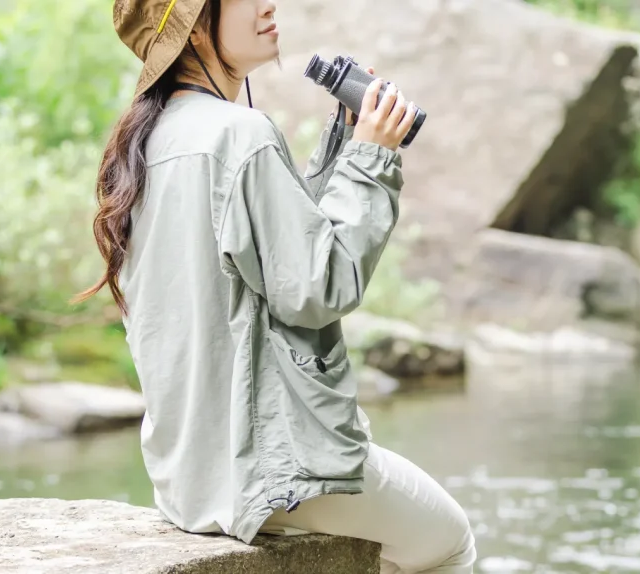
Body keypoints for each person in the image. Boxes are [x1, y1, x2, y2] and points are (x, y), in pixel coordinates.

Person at [75, 0, 476, 571]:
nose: (268, 6)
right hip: (274, 474)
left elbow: (272, 254)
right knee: (450, 541)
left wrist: (346, 143)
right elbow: (320, 287)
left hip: (190, 479)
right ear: (193, 28)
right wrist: (372, 157)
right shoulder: (242, 134)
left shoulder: (144, 145)